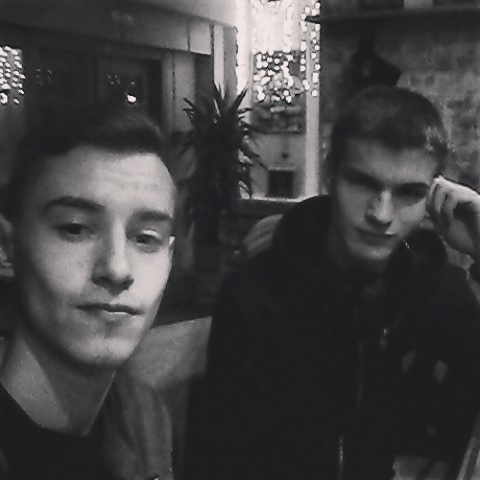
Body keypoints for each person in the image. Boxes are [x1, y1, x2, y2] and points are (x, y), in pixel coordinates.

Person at [194, 86, 480, 480]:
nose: (381, 214)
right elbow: (225, 458)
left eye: (408, 193)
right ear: (330, 175)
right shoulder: (255, 297)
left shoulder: (433, 290)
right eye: (363, 183)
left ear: (432, 196)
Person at [0, 105, 177, 480]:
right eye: (75, 229)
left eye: (146, 238)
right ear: (6, 248)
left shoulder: (143, 419)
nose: (117, 268)